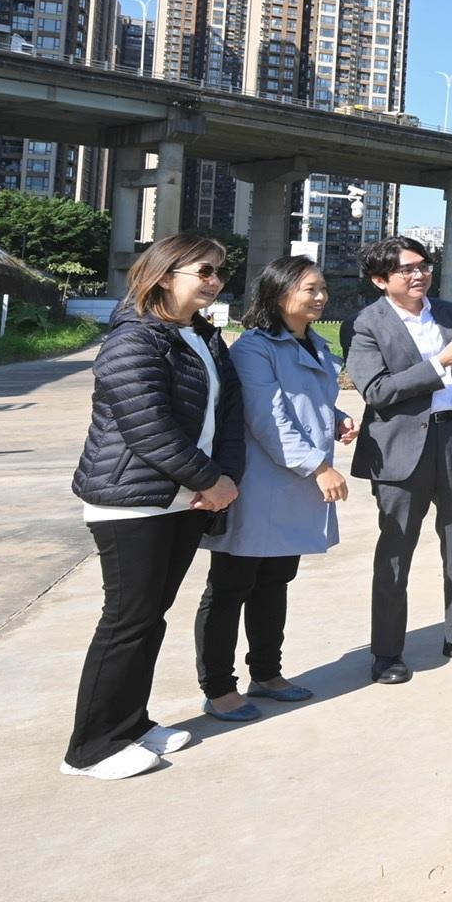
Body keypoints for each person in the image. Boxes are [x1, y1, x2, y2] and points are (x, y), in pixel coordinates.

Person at [63, 233, 242, 780]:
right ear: (165, 274)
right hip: (132, 500)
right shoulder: (133, 339)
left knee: (149, 619)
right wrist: (210, 480)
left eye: (219, 272)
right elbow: (149, 428)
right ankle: (90, 749)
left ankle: (132, 723)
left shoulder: (201, 337)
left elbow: (228, 413)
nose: (214, 280)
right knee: (126, 621)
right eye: (203, 271)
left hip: (182, 498)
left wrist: (225, 478)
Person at [196, 255, 353, 721]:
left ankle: (266, 672)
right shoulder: (254, 348)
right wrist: (319, 466)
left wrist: (338, 417)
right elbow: (268, 419)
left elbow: (311, 401)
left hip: (293, 486)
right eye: (310, 288)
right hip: (259, 485)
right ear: (278, 293)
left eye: (322, 287)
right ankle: (219, 687)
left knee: (274, 582)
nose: (320, 296)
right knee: (230, 587)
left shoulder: (315, 345)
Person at [341, 235, 452, 684]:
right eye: (407, 269)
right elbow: (377, 392)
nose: (419, 274)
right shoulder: (365, 324)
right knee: (395, 551)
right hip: (398, 447)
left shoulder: (445, 311)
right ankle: (387, 652)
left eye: (423, 265)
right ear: (379, 279)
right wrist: (441, 363)